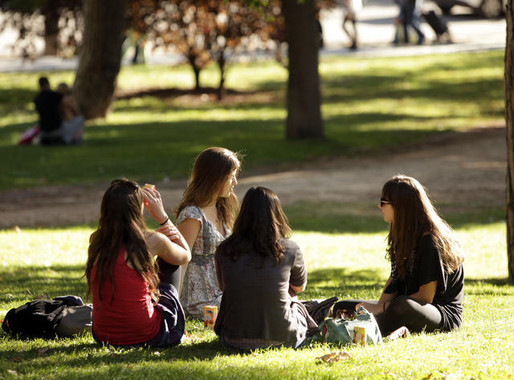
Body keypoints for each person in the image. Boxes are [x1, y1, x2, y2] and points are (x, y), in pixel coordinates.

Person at [333, 175, 464, 337]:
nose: (379, 206)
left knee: (402, 305)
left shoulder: (430, 241)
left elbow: (426, 297)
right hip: (402, 304)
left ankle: (357, 332)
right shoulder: (401, 234)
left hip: (439, 313)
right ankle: (354, 328)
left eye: (383, 202)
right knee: (343, 306)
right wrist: (378, 306)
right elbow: (395, 279)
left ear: (400, 207)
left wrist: (380, 309)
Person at [85, 179, 191, 347]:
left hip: (103, 336)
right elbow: (185, 256)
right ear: (137, 208)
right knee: (170, 262)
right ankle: (174, 325)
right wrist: (163, 219)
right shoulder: (153, 241)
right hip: (145, 335)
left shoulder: (98, 239)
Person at [214, 187, 317, 350]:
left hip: (232, 337)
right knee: (295, 302)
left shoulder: (224, 250)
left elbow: (223, 287)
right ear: (276, 214)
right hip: (282, 336)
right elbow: (298, 287)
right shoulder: (290, 249)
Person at [175, 147, 241, 318]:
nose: (235, 182)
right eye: (230, 176)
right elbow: (181, 261)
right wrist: (175, 305)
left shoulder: (222, 208)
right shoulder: (192, 215)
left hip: (221, 291)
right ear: (215, 178)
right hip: (199, 299)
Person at [33, 77, 83, 145]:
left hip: (43, 132)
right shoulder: (55, 96)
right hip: (56, 130)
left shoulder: (37, 99)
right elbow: (72, 106)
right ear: (48, 84)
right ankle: (73, 141)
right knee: (80, 120)